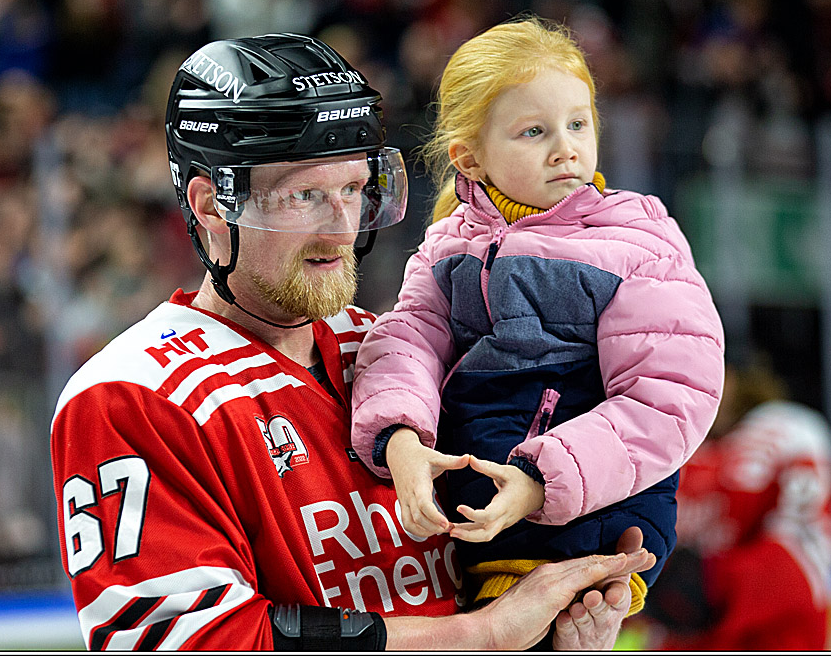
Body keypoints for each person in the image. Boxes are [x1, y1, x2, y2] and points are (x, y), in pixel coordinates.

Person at [49, 33, 656, 651]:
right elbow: (198, 643)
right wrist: (485, 633)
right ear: (211, 206)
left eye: (353, 189)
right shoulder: (132, 397)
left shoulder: (392, 352)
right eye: (305, 196)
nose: (341, 227)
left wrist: (557, 626)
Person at [349, 15, 725, 617]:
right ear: (469, 159)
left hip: (591, 511)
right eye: (534, 131)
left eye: (578, 123)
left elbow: (670, 396)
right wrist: (399, 440)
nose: (566, 147)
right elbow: (405, 342)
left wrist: (540, 482)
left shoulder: (636, 241)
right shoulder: (448, 246)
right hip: (481, 514)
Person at [642, 358, 831, 650]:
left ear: (734, 375)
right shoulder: (673, 447)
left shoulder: (787, 434)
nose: (690, 388)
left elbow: (808, 555)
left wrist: (714, 582)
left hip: (774, 640)